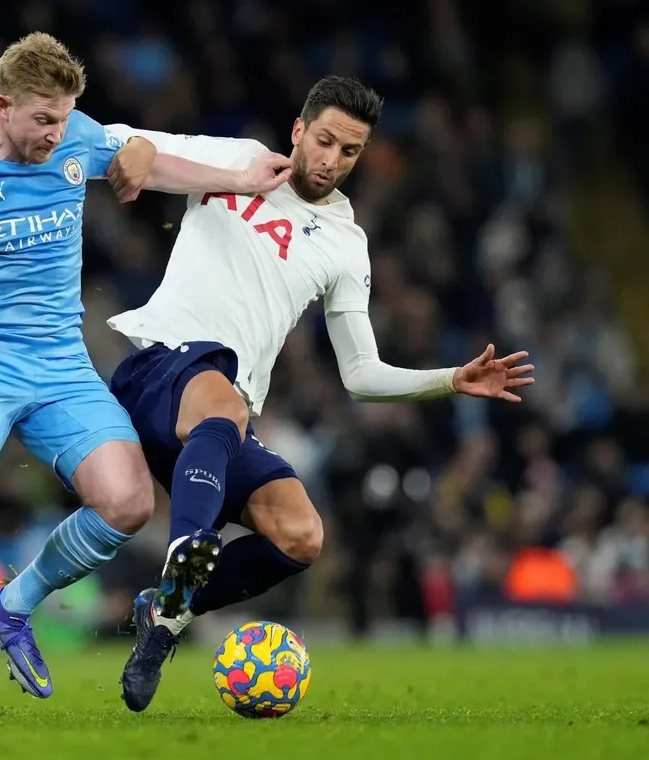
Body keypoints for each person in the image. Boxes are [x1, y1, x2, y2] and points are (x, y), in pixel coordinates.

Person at [0, 32, 292, 719]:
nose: (58, 134)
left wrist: (239, 181)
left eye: (66, 118)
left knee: (130, 501)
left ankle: (11, 606)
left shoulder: (77, 135)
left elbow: (155, 163)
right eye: (43, 120)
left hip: (59, 363)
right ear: (4, 105)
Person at [104, 75, 536, 712]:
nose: (332, 160)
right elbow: (119, 140)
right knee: (224, 399)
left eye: (350, 151)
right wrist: (133, 150)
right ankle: (187, 555)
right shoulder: (238, 160)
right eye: (325, 140)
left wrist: (449, 380)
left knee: (301, 534)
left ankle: (164, 609)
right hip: (160, 366)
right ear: (299, 131)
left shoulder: (345, 245)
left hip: (219, 425)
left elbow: (360, 372)